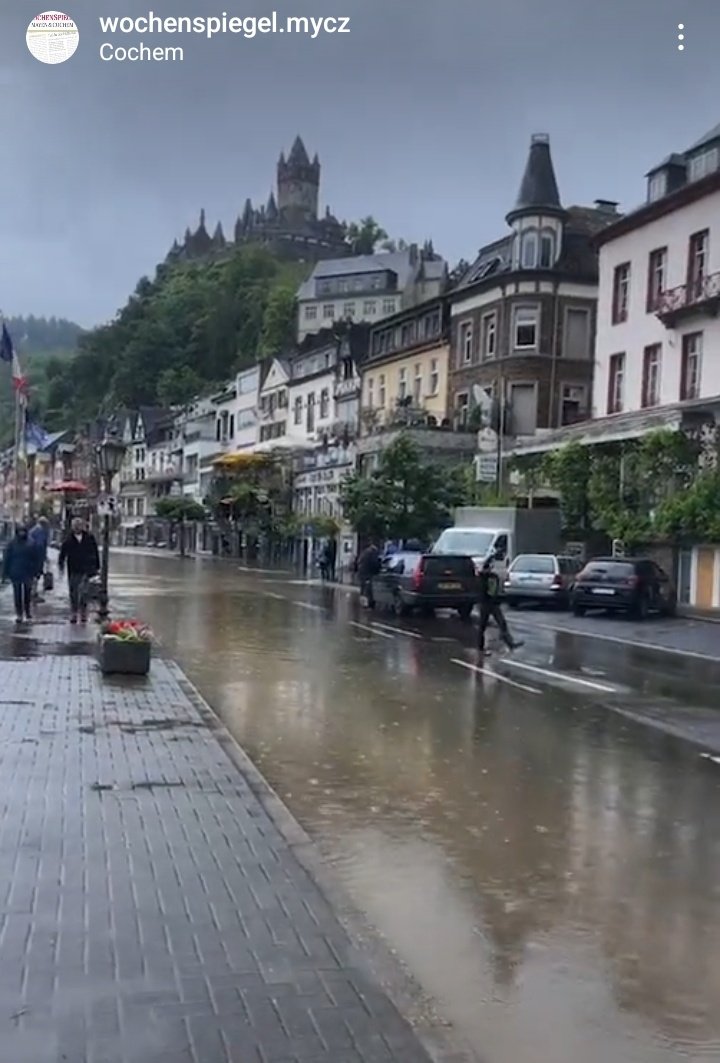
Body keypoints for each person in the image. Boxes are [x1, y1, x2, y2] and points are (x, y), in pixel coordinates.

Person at [477, 550, 523, 655]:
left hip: (493, 603)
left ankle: (510, 643)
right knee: (483, 625)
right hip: (486, 603)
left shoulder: (492, 577)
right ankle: (480, 647)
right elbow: (483, 588)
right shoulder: (484, 577)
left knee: (502, 623)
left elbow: (495, 590)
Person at [58, 517, 100, 624]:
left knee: (85, 593)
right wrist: (61, 564)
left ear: (82, 526)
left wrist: (96, 568)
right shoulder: (69, 539)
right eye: (75, 526)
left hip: (86, 569)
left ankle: (83, 612)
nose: (77, 527)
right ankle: (74, 612)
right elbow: (63, 553)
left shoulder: (89, 538)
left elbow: (95, 552)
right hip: (73, 569)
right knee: (74, 592)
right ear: (72, 527)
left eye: (79, 525)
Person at [2, 525, 42, 623]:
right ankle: (19, 613)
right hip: (15, 572)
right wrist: (4, 573)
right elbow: (7, 559)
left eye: (23, 531)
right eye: (20, 532)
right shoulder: (12, 544)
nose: (22, 534)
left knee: (27, 593)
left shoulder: (31, 543)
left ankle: (27, 612)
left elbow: (37, 558)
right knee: (17, 594)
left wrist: (37, 571)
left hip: (28, 572)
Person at [29, 515, 50, 601]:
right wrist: (43, 557)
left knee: (32, 575)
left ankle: (31, 592)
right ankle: (33, 593)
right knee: (36, 575)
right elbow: (40, 545)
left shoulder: (33, 530)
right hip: (36, 557)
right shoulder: (40, 532)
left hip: (30, 556)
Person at [356, 540, 381, 608]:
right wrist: (378, 569)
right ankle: (368, 604)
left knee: (363, 588)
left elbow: (359, 561)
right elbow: (374, 563)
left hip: (362, 573)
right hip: (368, 573)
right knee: (368, 589)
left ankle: (364, 603)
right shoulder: (373, 552)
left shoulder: (365, 551)